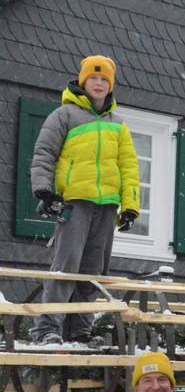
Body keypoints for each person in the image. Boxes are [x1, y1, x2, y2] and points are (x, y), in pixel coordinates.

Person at [30, 54, 140, 347]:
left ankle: (80, 329)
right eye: (94, 77)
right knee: (66, 265)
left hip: (106, 206)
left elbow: (129, 167)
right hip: (74, 202)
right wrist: (44, 191)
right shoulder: (64, 115)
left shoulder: (119, 125)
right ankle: (47, 328)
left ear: (111, 85)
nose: (99, 83)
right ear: (83, 81)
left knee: (93, 270)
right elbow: (44, 154)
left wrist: (130, 206)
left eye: (105, 79)